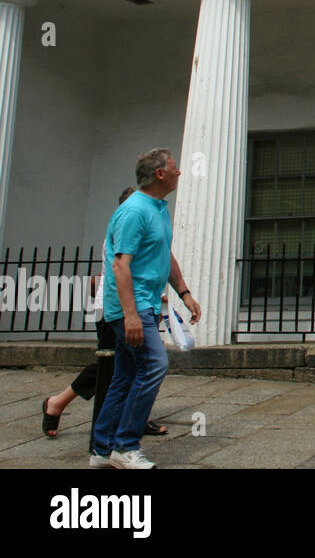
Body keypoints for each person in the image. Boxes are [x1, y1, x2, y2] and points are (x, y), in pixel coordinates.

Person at [89, 149, 201, 469]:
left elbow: (165, 255)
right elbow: (120, 265)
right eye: (174, 168)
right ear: (160, 174)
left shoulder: (158, 209)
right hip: (131, 307)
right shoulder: (134, 211)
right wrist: (130, 316)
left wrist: (185, 294)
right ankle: (125, 445)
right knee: (154, 365)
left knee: (125, 377)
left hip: (147, 304)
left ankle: (100, 451)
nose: (179, 173)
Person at [42, 187, 169, 443]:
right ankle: (63, 407)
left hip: (134, 306)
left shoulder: (138, 227)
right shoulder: (125, 228)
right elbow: (121, 269)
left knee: (127, 367)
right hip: (117, 308)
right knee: (114, 368)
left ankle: (123, 423)